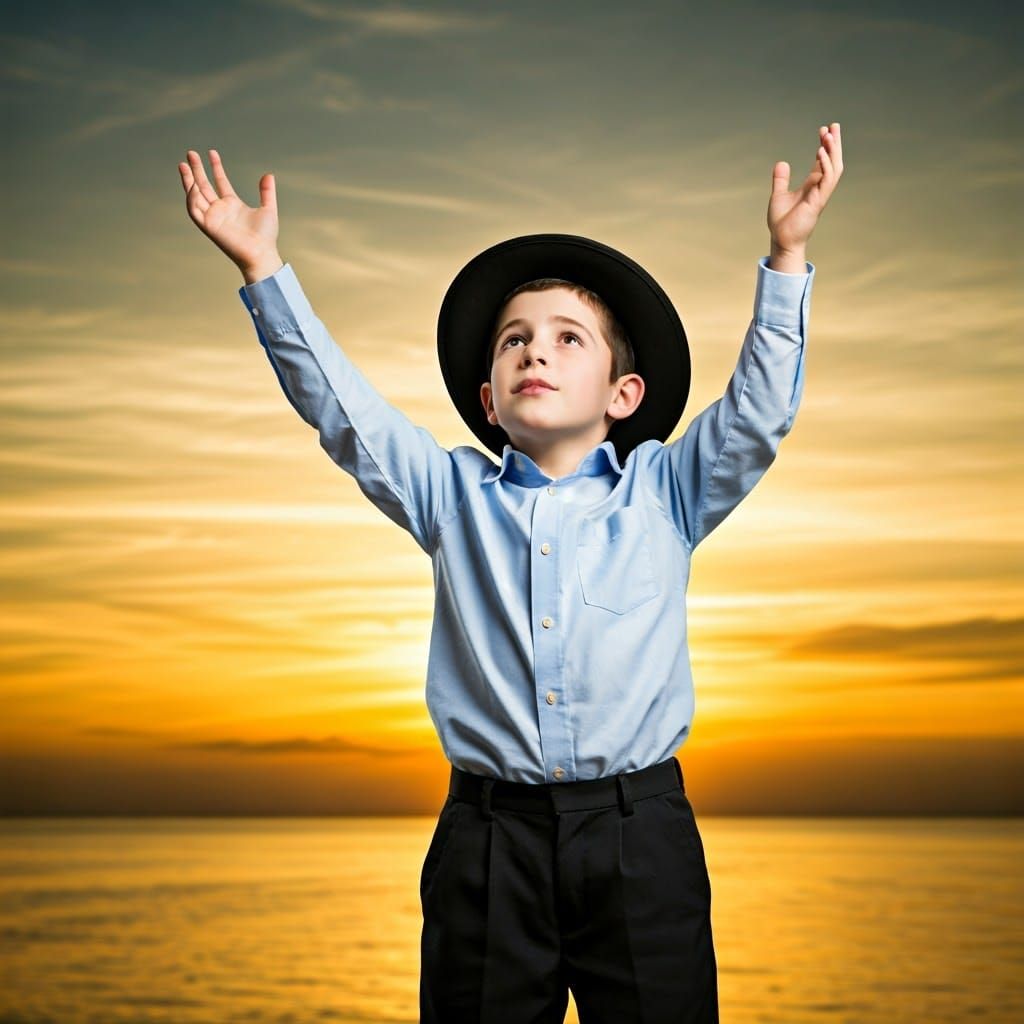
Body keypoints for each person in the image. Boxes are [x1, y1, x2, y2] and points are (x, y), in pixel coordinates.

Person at [177, 122, 843, 1024]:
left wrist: (787, 255)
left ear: (623, 395)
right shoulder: (449, 494)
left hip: (638, 836)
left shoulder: (667, 491)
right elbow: (343, 412)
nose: (537, 350)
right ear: (488, 399)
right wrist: (264, 272)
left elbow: (760, 415)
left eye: (570, 339)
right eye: (515, 340)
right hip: (488, 843)